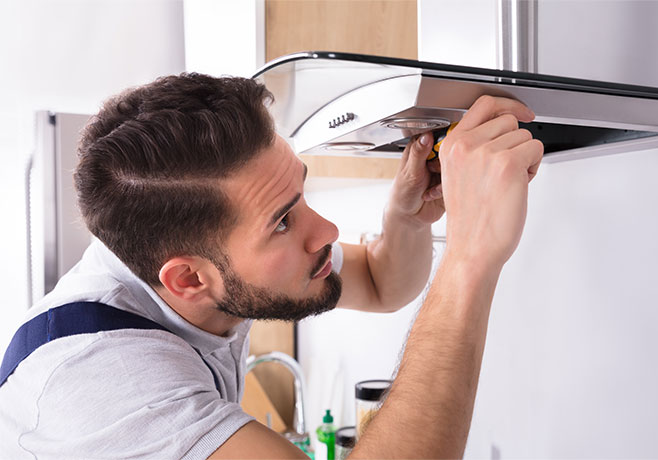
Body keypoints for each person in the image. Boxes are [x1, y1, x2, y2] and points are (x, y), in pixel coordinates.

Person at [0, 73, 543, 459]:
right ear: (187, 279)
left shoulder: (194, 261)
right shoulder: (101, 383)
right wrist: (471, 256)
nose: (326, 232)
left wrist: (409, 217)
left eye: (300, 193)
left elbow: (380, 283)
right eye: (283, 222)